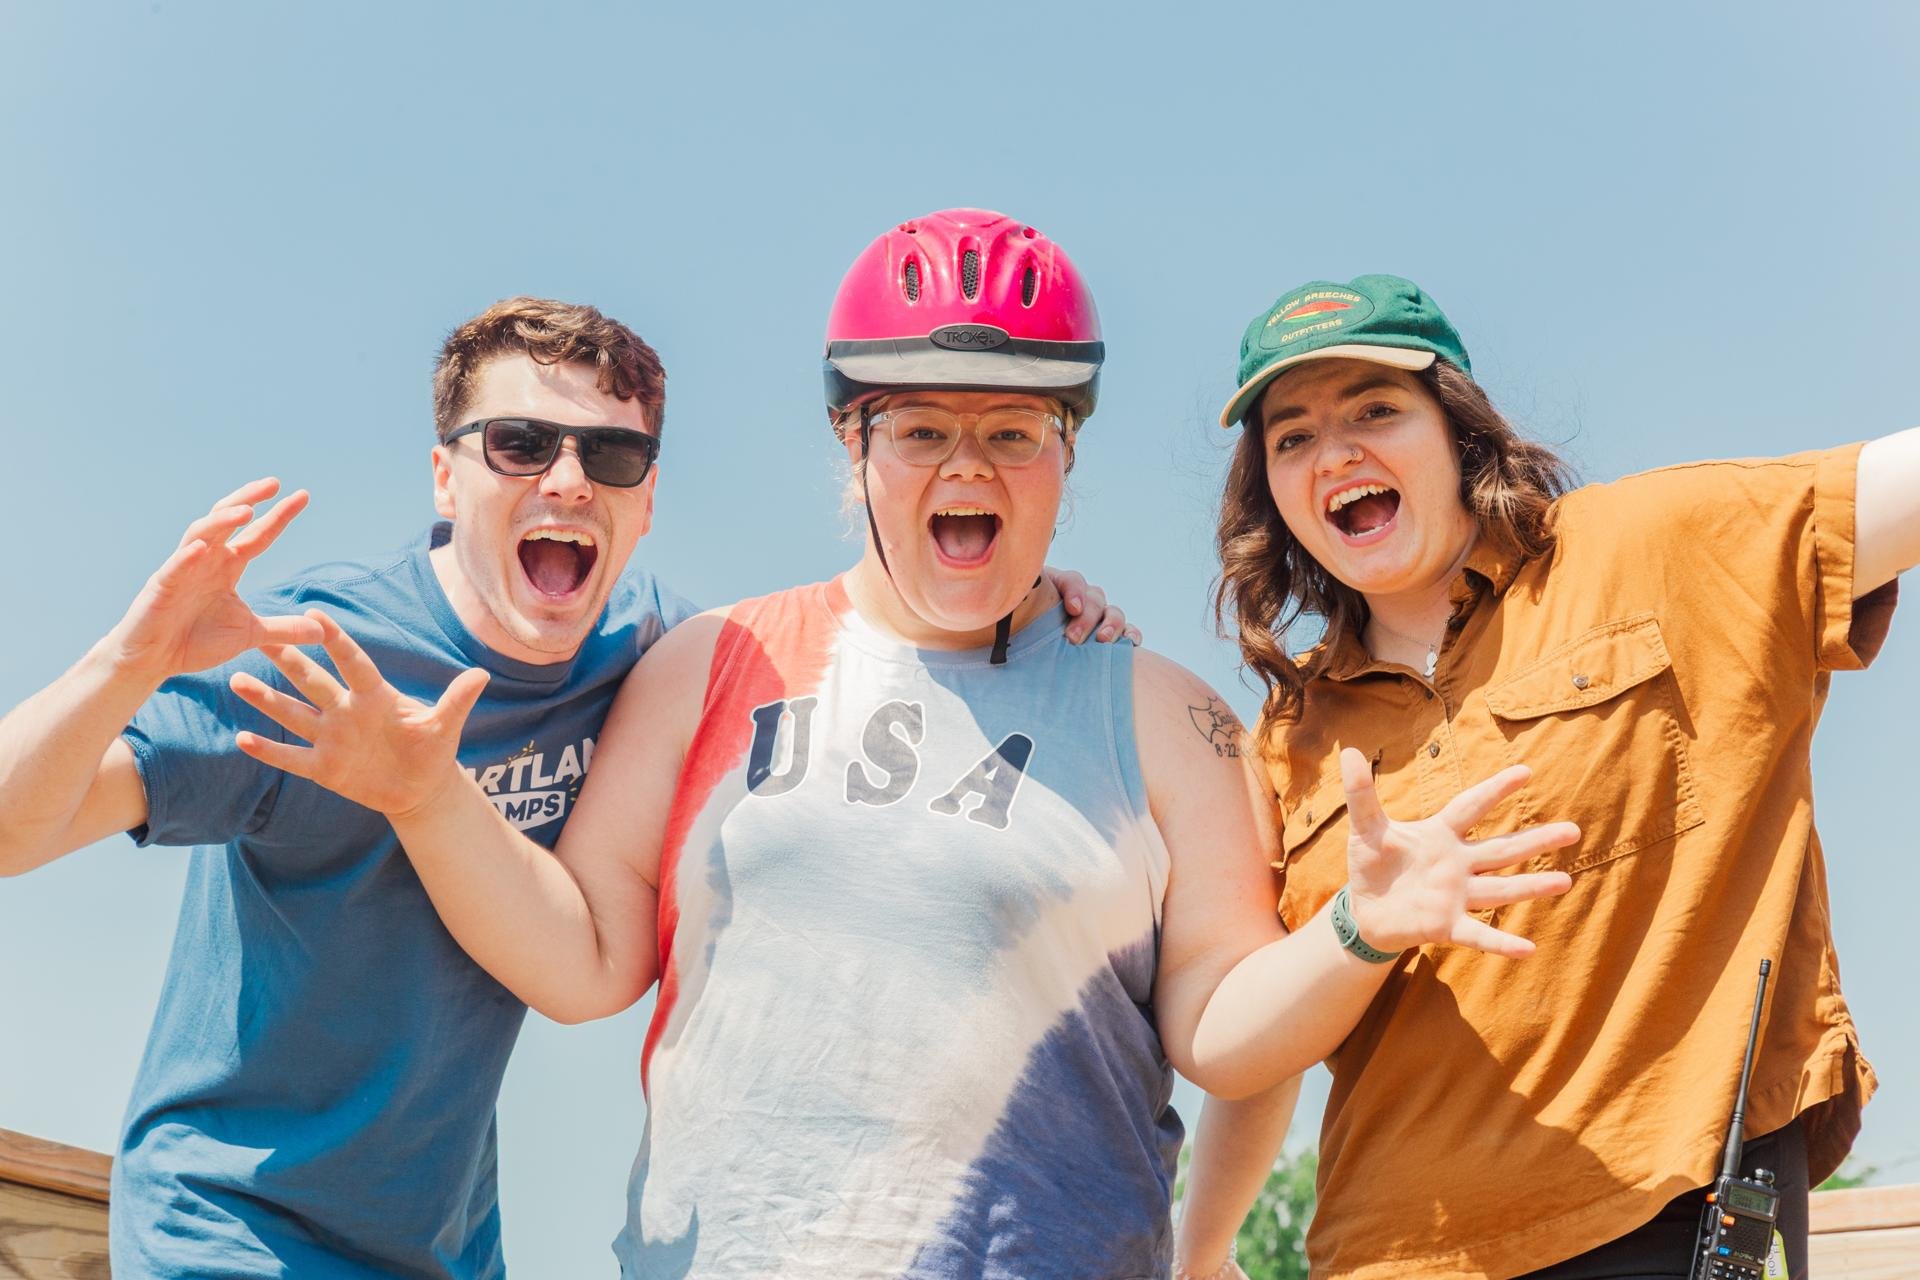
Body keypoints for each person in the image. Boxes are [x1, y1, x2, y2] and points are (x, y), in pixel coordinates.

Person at [232, 210, 1577, 1279]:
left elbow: (1223, 1034)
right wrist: (424, 797)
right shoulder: (712, 663)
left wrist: (1356, 931)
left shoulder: (1169, 717)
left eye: (1012, 434)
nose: (966, 470)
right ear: (852, 443)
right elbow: (583, 960)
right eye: (920, 431)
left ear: (1067, 454)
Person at [0, 292, 1130, 1279]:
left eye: (614, 456)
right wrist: (127, 662)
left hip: (443, 1246)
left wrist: (1019, 597)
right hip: (234, 1224)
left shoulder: (654, 660)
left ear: (645, 503)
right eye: (521, 443)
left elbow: (869, 632)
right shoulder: (322, 656)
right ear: (445, 473)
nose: (570, 479)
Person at [1181, 273, 1916, 1279]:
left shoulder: (1655, 548)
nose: (1337, 450)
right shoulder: (1286, 736)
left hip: (1670, 1212)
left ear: (1461, 432)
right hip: (1384, 1254)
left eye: (1376, 409)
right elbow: (1252, 1037)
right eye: (1292, 435)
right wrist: (1202, 1249)